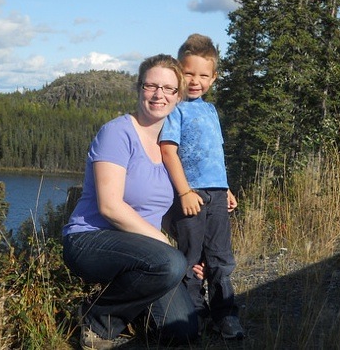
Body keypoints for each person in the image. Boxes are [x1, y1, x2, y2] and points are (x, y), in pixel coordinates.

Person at [62, 54, 203, 349]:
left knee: (184, 330)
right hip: (91, 240)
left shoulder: (168, 147)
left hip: (145, 253)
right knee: (168, 263)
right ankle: (96, 320)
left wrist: (189, 257)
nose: (159, 95)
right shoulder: (117, 132)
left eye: (168, 88)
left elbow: (181, 201)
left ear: (178, 96)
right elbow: (110, 207)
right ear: (139, 88)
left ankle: (129, 308)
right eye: (151, 86)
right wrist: (165, 247)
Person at [159, 34, 245, 339]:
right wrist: (184, 192)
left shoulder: (210, 111)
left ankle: (225, 315)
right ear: (178, 73)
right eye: (188, 73)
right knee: (190, 259)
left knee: (221, 257)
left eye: (203, 75)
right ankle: (194, 314)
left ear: (214, 77)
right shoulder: (176, 109)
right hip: (190, 195)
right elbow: (168, 151)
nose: (195, 81)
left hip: (217, 193)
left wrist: (226, 188)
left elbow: (214, 154)